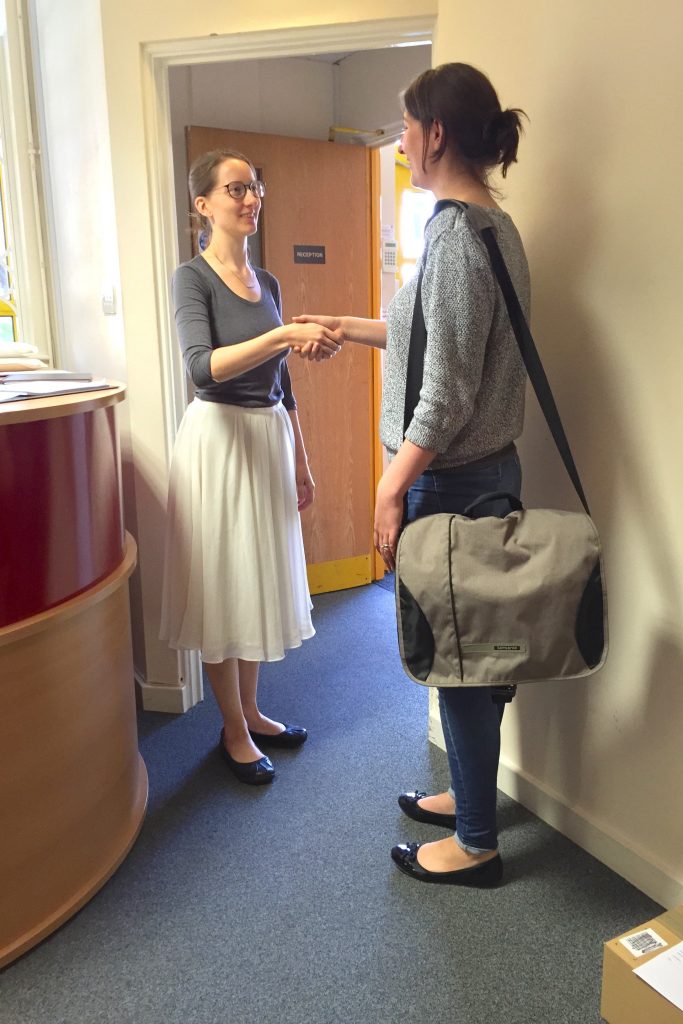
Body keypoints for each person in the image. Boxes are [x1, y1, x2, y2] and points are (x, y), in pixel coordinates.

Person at [294, 64, 529, 885]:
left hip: (455, 486)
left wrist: (390, 487)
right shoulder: (479, 227)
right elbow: (427, 340)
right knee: (470, 661)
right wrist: (340, 326)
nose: (400, 136)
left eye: (405, 124)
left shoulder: (461, 237)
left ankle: (475, 844)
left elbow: (449, 390)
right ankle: (471, 801)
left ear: (435, 134)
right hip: (477, 479)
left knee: (462, 667)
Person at [160, 149, 342, 785]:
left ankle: (255, 711)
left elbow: (282, 383)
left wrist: (302, 459)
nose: (249, 198)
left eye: (254, 187)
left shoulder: (268, 283)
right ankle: (233, 729)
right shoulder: (191, 278)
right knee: (221, 584)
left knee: (254, 579)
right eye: (234, 188)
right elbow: (200, 368)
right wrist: (282, 335)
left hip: (267, 437)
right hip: (217, 443)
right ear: (203, 204)